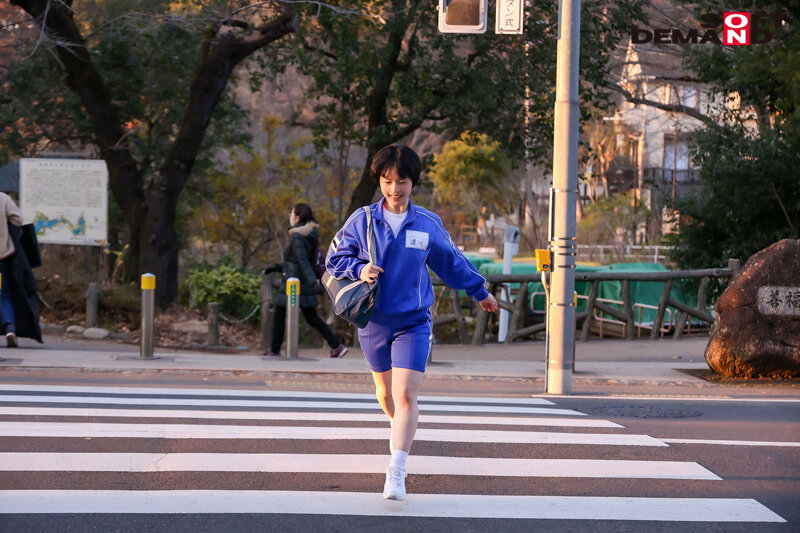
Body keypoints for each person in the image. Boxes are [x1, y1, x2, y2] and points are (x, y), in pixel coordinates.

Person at [326, 145, 498, 500]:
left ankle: (397, 469)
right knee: (385, 393)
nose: (394, 188)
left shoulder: (426, 223)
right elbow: (334, 258)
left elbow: (452, 261)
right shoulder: (362, 220)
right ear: (379, 181)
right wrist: (359, 268)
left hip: (414, 321)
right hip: (373, 320)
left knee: (405, 393)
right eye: (387, 181)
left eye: (401, 181)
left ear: (413, 182)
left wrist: (479, 290)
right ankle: (400, 429)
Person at [263, 203, 348, 359]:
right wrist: (275, 267)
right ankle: (337, 346)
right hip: (300, 282)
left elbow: (302, 262)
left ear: (297, 218)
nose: (290, 217)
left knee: (281, 313)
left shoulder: (298, 237)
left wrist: (313, 283)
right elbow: (294, 262)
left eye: (291, 214)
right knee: (311, 317)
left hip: (295, 284)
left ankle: (275, 350)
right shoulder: (308, 235)